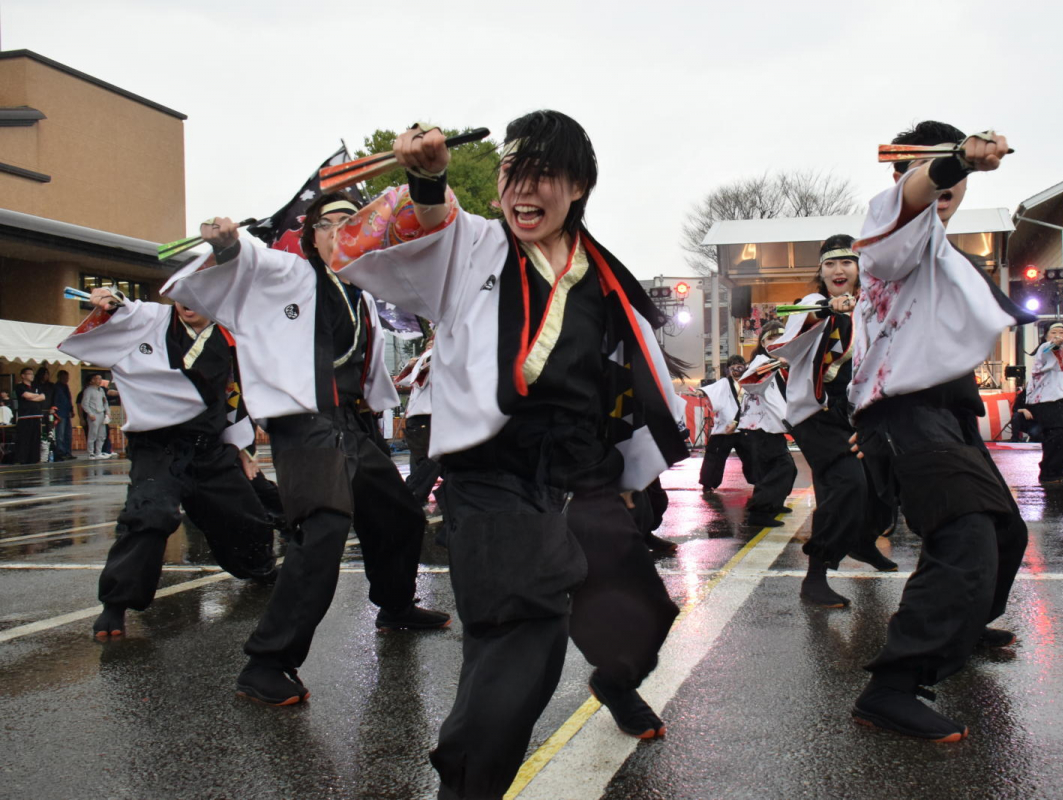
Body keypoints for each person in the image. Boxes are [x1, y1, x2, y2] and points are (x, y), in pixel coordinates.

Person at [326, 111, 687, 800]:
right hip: (491, 477)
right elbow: (421, 228)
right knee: (525, 632)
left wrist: (628, 480)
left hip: (577, 476)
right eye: (512, 174)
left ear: (578, 186)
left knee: (636, 613)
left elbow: (621, 378)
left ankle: (614, 680)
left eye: (544, 175)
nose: (525, 190)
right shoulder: (473, 246)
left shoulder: (602, 278)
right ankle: (467, 782)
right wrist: (427, 179)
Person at [164, 193, 449, 707]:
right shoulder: (292, 276)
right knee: (322, 530)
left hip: (351, 424)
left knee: (400, 515)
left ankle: (395, 604)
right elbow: (252, 265)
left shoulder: (364, 288)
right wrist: (231, 249)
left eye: (351, 222)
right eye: (328, 223)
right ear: (311, 236)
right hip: (306, 425)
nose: (339, 230)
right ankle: (266, 662)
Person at [847, 121, 1031, 742]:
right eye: (923, 169)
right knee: (966, 534)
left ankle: (966, 621)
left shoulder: (943, 247)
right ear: (901, 175)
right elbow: (916, 194)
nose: (939, 182)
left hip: (948, 411)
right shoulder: (887, 221)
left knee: (1006, 530)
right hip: (905, 408)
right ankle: (893, 687)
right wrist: (954, 161)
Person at [58, 290, 281, 637]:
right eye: (179, 294)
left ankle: (260, 568)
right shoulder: (149, 320)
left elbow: (236, 396)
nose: (187, 301)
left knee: (245, 516)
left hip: (208, 447)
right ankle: (115, 605)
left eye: (196, 293)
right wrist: (111, 303)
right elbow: (123, 310)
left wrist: (243, 448)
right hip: (158, 446)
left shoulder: (229, 336)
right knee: (150, 514)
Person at [772, 235, 896, 609]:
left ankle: (863, 540)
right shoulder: (811, 304)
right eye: (830, 264)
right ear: (821, 272)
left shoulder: (869, 307)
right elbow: (788, 346)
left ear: (859, 269)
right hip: (817, 414)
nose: (838, 271)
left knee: (883, 482)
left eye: (846, 263)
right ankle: (816, 576)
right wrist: (828, 309)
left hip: (856, 411)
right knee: (845, 485)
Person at [738, 321, 799, 529]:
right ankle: (761, 512)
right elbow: (748, 382)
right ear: (763, 343)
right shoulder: (762, 362)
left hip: (768, 429)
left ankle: (772, 504)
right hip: (760, 429)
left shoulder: (778, 366)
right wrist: (778, 363)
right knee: (783, 468)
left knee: (774, 471)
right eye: (771, 338)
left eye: (780, 338)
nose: (776, 342)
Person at [1025, 322, 1063, 483]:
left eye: (1062, 333)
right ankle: (1048, 471)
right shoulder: (1044, 348)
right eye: (1053, 332)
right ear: (1046, 336)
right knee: (1057, 434)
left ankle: (1058, 469)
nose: (1058, 335)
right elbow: (1049, 347)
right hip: (1047, 399)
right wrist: (1054, 343)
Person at [698, 355, 753, 493]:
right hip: (725, 426)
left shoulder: (751, 383)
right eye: (733, 367)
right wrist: (700, 392)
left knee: (753, 457)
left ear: (745, 367)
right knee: (714, 456)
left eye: (739, 366)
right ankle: (708, 484)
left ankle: (759, 481)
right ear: (728, 369)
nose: (736, 370)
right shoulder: (724, 383)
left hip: (744, 426)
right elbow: (711, 390)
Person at [397, 334, 441, 503]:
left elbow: (407, 379)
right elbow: (410, 379)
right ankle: (412, 494)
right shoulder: (429, 356)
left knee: (424, 460)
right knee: (432, 460)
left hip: (424, 417)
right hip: (424, 417)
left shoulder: (430, 357)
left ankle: (413, 495)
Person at [14, 367, 45, 464]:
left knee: (36, 439)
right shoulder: (20, 387)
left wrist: (33, 397)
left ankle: (35, 458)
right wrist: (35, 396)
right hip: (25, 416)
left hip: (36, 415)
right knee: (24, 439)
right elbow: (27, 396)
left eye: (32, 374)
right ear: (23, 376)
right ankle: (22, 459)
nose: (31, 376)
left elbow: (43, 397)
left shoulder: (36, 386)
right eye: (29, 374)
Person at [81, 374, 111, 459]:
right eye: (97, 379)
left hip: (101, 414)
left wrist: (108, 412)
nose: (99, 380)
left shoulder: (101, 390)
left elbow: (105, 402)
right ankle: (90, 452)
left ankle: (98, 452)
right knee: (93, 434)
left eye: (100, 379)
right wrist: (90, 413)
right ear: (93, 380)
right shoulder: (88, 390)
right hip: (94, 414)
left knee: (102, 434)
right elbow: (84, 404)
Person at [50, 371, 76, 460]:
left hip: (67, 413)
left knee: (68, 434)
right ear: (59, 377)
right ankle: (60, 452)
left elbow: (69, 399)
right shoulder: (56, 387)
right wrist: (56, 413)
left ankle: (68, 452)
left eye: (67, 377)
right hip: (60, 413)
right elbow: (55, 400)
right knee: (60, 434)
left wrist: (71, 410)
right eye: (64, 377)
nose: (66, 379)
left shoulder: (66, 386)